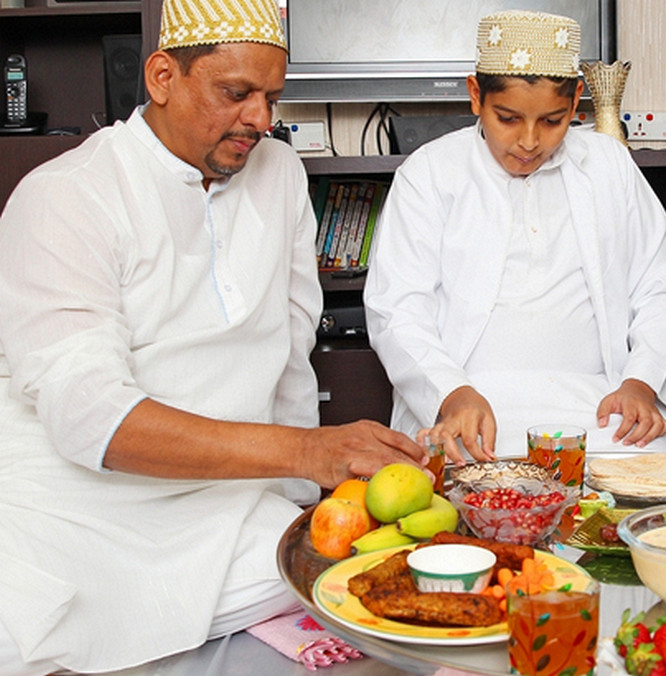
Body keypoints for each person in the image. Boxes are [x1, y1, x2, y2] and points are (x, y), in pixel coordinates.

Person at [0, 1, 425, 673]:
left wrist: (299, 500)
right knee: (41, 632)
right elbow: (89, 419)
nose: (261, 119)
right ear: (163, 76)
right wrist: (305, 451)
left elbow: (288, 352)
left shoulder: (279, 173)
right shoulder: (66, 196)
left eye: (271, 97)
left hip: (229, 506)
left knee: (386, 584)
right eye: (237, 94)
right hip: (78, 513)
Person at [364, 10, 666, 463]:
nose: (530, 141)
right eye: (509, 118)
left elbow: (658, 289)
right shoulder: (429, 173)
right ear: (476, 96)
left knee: (657, 511)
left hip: (601, 414)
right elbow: (396, 309)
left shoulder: (609, 165)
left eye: (553, 121)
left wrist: (640, 382)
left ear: (577, 102)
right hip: (468, 412)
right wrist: (452, 393)